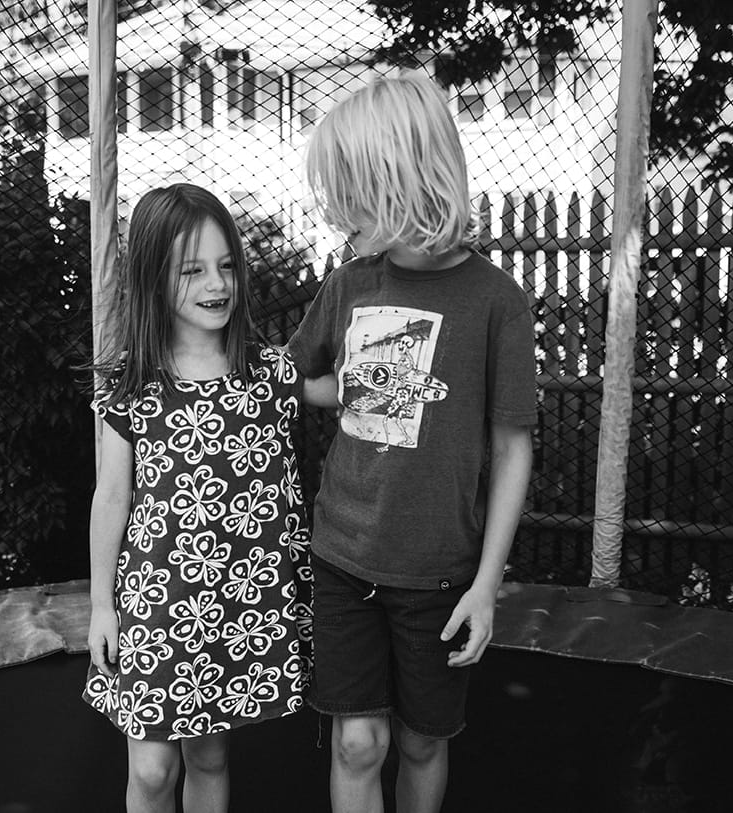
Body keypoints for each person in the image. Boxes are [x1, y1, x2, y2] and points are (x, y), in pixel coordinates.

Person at [287, 74, 537, 813]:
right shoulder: (350, 285)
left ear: (397, 182)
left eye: (351, 195)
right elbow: (297, 377)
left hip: (439, 574)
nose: (338, 214)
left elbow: (513, 449)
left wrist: (486, 584)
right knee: (357, 744)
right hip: (342, 558)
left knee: (425, 741)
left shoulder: (497, 303)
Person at [83, 183, 336, 813]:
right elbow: (110, 498)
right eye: (191, 270)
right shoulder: (133, 385)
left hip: (235, 603)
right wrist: (101, 607)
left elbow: (351, 388)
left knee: (210, 758)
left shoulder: (267, 373)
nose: (216, 283)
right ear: (152, 278)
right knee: (150, 772)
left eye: (226, 266)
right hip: (158, 602)